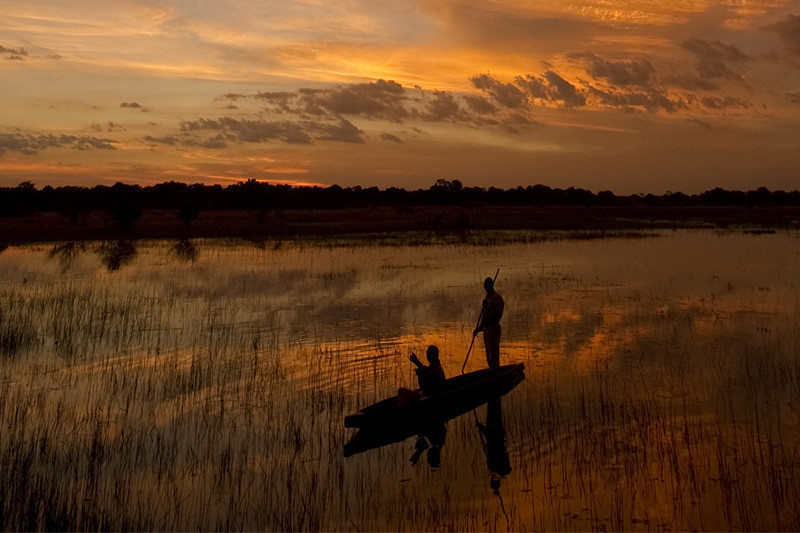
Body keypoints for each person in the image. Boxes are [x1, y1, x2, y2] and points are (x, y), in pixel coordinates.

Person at [474, 277, 504, 370]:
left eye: (487, 285)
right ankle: (492, 370)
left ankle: (495, 371)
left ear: (490, 285)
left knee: (494, 353)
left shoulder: (496, 298)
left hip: (493, 328)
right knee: (489, 354)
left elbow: (498, 315)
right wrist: (478, 329)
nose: (485, 287)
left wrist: (488, 307)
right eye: (485, 286)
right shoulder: (487, 299)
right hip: (487, 330)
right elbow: (484, 318)